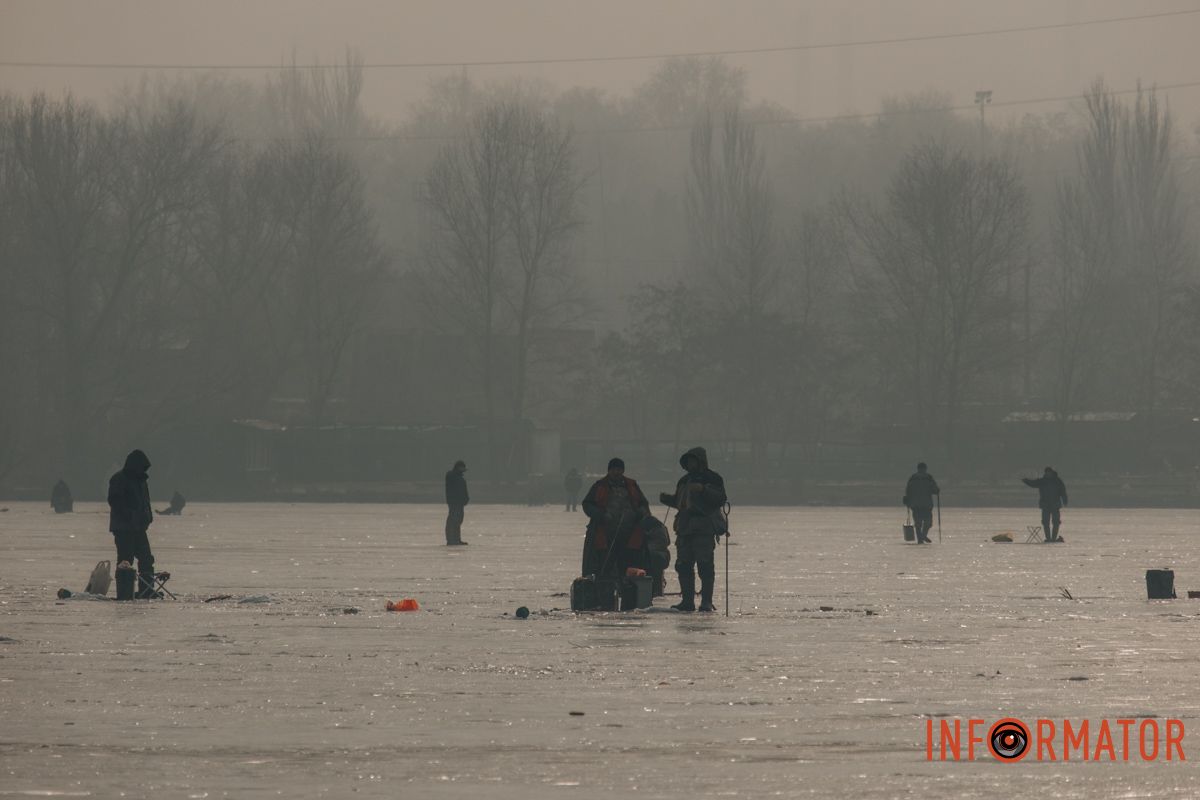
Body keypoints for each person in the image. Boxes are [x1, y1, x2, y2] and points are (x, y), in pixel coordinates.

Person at [660, 447, 727, 613]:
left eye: (693, 460)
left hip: (703, 528)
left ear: (700, 461)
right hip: (684, 527)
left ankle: (706, 602)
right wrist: (667, 499)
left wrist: (704, 489)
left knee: (705, 565)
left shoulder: (712, 478)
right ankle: (687, 601)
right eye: (688, 461)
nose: (690, 464)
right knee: (683, 565)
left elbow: (720, 498)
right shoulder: (684, 480)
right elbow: (679, 502)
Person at [580, 458, 651, 578]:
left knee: (627, 564)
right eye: (613, 470)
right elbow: (587, 504)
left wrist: (639, 513)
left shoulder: (632, 485)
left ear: (623, 470)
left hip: (629, 533)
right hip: (604, 533)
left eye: (619, 469)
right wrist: (600, 516)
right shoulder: (600, 485)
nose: (616, 472)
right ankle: (605, 588)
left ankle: (626, 588)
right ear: (609, 471)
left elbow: (643, 504)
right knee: (604, 564)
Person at [108, 449, 159, 599]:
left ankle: (147, 590)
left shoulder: (141, 481)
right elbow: (115, 501)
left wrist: (147, 517)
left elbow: (145, 502)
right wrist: (130, 516)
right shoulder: (119, 479)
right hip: (123, 528)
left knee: (146, 559)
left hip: (139, 527)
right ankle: (124, 592)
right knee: (125, 561)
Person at [1022, 467, 1068, 543]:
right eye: (1046, 472)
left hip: (1055, 505)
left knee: (1056, 522)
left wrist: (1064, 500)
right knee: (1045, 522)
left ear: (1051, 472)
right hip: (1045, 505)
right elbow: (1033, 484)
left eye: (1049, 472)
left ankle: (1053, 538)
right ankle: (1048, 538)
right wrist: (1026, 481)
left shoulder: (1057, 481)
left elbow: (1062, 491)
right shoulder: (1042, 481)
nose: (1047, 473)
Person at [903, 462, 940, 545]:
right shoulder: (928, 478)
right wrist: (937, 490)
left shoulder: (913, 478)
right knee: (928, 523)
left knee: (918, 523)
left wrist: (908, 500)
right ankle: (923, 536)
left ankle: (920, 539)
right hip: (926, 504)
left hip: (915, 504)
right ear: (925, 469)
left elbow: (908, 490)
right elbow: (935, 489)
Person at [444, 460, 469, 546]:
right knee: (453, 521)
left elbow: (463, 490)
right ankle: (451, 540)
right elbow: (455, 490)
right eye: (462, 467)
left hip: (460, 503)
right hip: (454, 502)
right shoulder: (452, 476)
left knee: (458, 521)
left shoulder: (459, 477)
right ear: (458, 467)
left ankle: (457, 539)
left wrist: (465, 499)